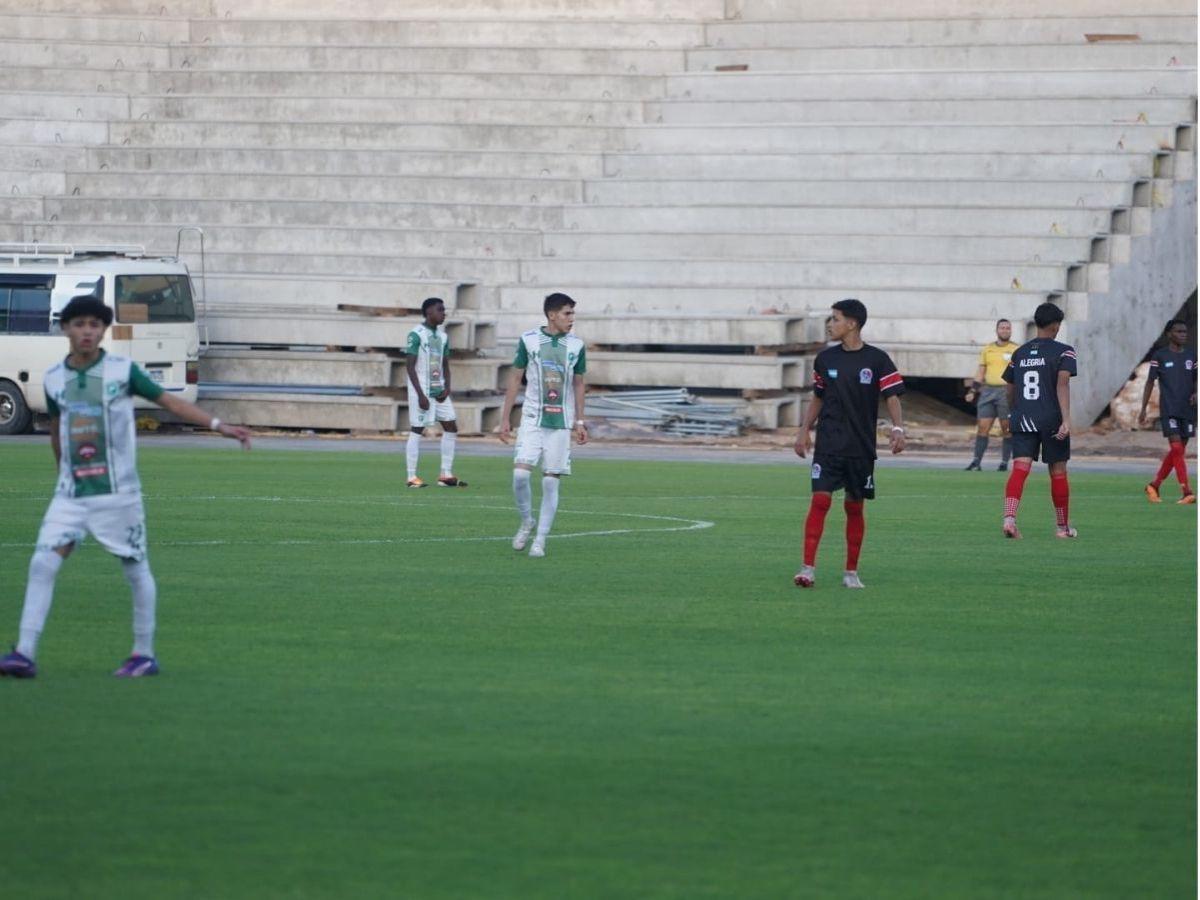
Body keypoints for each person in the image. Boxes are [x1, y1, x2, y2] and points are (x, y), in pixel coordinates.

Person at [0, 295, 251, 679]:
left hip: (118, 494)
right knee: (43, 562)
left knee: (135, 567)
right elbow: (56, 429)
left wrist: (220, 426)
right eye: (79, 323)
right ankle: (24, 653)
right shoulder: (53, 378)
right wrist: (61, 476)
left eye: (94, 324)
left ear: (104, 330)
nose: (87, 331)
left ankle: (143, 654)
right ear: (65, 328)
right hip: (71, 494)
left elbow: (170, 402)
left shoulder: (122, 371)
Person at [794, 298, 906, 589]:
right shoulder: (825, 359)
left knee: (854, 508)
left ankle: (851, 573)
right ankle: (807, 569)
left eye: (835, 319)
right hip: (829, 443)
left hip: (860, 447)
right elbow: (818, 396)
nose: (831, 324)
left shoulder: (878, 360)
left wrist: (898, 428)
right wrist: (804, 430)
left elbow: (892, 396)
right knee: (820, 500)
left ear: (852, 323)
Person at [498, 292, 588, 558]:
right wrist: (504, 418)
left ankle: (540, 540)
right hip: (532, 418)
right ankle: (527, 521)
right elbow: (515, 379)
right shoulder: (529, 340)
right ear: (552, 315)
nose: (572, 319)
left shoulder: (576, 345)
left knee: (550, 482)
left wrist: (580, 422)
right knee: (520, 475)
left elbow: (579, 384)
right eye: (567, 313)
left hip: (561, 421)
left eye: (573, 313)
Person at [1000, 302, 1077, 539]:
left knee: (1020, 469)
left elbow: (1010, 389)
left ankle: (1010, 520)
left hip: (1023, 418)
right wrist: (1066, 420)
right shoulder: (1064, 351)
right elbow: (1062, 385)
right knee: (1058, 471)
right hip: (1051, 419)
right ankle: (1062, 528)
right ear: (1056, 326)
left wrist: (1014, 413)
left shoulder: (1019, 353)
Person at [405, 297, 466, 488]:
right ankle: (411, 477)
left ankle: (445, 475)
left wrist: (447, 387)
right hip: (421, 391)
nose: (444, 313)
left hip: (439, 391)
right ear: (429, 312)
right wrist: (421, 395)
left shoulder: (443, 336)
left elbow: (445, 365)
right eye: (440, 310)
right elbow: (409, 367)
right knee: (417, 429)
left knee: (451, 427)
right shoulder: (416, 334)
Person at [1139, 319, 1196, 504]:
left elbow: (1196, 379)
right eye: (1179, 331)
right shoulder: (1160, 356)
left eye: (1184, 332)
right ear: (1169, 334)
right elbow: (1150, 382)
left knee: (1177, 452)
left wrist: (1196, 392)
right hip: (1169, 409)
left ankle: (1154, 485)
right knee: (1177, 448)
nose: (1183, 335)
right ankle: (1186, 491)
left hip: (1187, 410)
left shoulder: (1191, 356)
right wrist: (1143, 409)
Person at [964, 319, 1018, 471]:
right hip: (988, 391)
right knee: (982, 427)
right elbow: (981, 372)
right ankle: (976, 461)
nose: (1005, 330)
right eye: (1002, 328)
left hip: (1006, 391)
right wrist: (973, 390)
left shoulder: (1016, 349)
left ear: (1011, 331)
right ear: (997, 330)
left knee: (1006, 429)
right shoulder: (988, 349)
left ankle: (1004, 462)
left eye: (1008, 328)